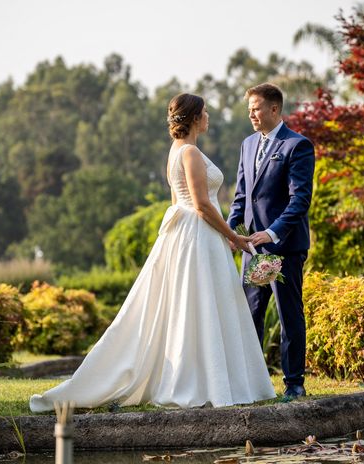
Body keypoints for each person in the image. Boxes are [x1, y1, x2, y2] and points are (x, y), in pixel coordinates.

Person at [29, 93, 276, 412]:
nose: (209, 117)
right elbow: (200, 205)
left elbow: (179, 202)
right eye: (205, 112)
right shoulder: (188, 152)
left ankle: (210, 377)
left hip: (191, 234)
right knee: (199, 304)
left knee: (200, 305)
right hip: (199, 234)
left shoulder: (176, 151)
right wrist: (234, 236)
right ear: (194, 118)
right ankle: (199, 381)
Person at [228, 83, 315, 398]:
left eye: (256, 107)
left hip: (285, 247)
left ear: (274, 109)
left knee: (288, 313)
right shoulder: (248, 145)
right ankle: (251, 384)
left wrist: (273, 232)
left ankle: (294, 384)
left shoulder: (297, 146)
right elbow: (241, 197)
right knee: (249, 315)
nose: (251, 113)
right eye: (249, 108)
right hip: (251, 248)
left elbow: (300, 200)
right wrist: (228, 232)